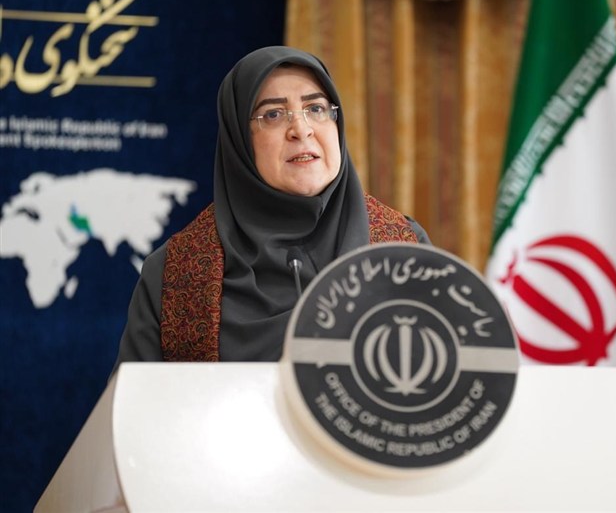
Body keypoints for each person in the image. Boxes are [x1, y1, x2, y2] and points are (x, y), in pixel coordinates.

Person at [113, 46, 429, 366]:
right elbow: (135, 396)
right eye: (274, 114)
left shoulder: (403, 248)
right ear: (240, 139)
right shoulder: (177, 274)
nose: (301, 129)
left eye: (316, 108)